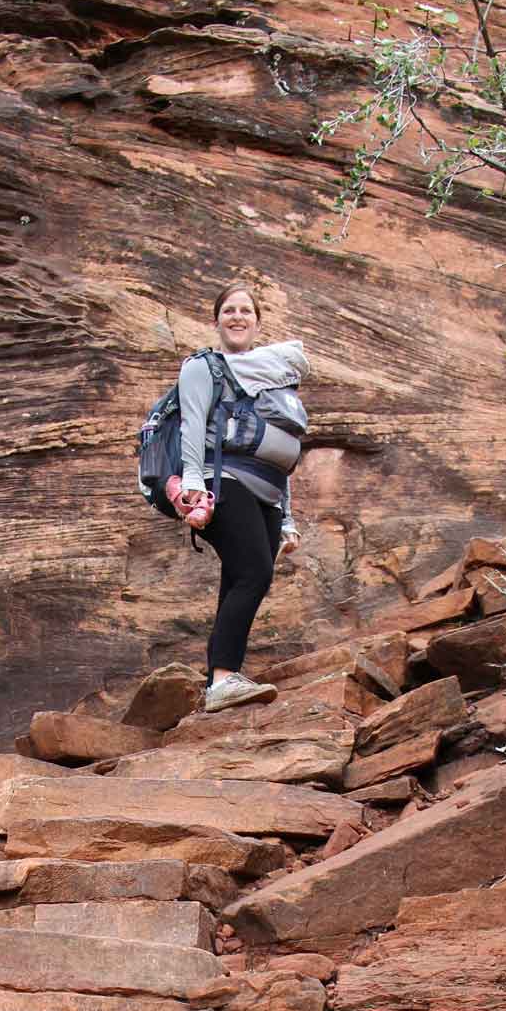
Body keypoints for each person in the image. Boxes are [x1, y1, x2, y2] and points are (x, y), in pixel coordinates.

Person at [175, 281, 309, 713]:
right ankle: (223, 679)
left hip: (267, 493)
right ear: (216, 321)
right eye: (229, 310)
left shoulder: (273, 377)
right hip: (223, 481)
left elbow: (279, 447)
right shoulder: (203, 368)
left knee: (238, 578)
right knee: (255, 574)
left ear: (257, 323)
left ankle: (218, 679)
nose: (237, 317)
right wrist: (193, 481)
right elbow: (192, 426)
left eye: (245, 311)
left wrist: (287, 516)